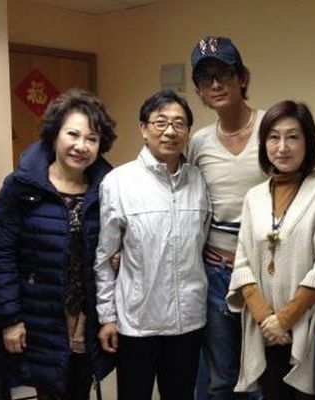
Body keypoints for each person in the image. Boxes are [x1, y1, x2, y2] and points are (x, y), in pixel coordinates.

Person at [0, 89, 117, 399]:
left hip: (87, 317)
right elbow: (0, 256)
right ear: (55, 133)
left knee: (79, 390)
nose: (81, 146)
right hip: (39, 316)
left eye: (92, 138)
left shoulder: (109, 188)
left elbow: (118, 241)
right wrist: (10, 320)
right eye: (73, 134)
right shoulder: (21, 187)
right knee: (50, 392)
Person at [94, 90, 210, 400]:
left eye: (179, 124)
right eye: (161, 123)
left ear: (188, 132)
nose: (170, 131)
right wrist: (107, 316)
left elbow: (201, 243)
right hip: (137, 322)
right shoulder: (118, 182)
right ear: (144, 129)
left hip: (188, 321)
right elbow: (105, 258)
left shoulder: (198, 181)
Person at [226, 100, 315, 399]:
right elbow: (242, 264)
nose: (282, 147)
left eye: (293, 137)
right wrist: (267, 320)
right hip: (263, 330)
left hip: (304, 328)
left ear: (308, 142)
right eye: (274, 137)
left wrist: (284, 320)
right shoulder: (254, 197)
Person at [188, 36, 267, 400]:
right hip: (217, 272)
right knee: (222, 378)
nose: (216, 84)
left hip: (265, 271)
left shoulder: (271, 128)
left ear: (243, 77)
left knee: (264, 377)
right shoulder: (199, 142)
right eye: (206, 79)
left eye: (224, 74)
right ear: (200, 90)